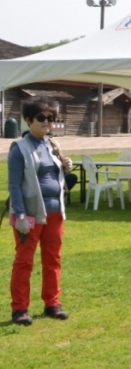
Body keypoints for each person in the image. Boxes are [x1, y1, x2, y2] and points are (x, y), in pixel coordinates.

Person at [8, 97, 72, 325]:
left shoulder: (51, 144)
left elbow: (51, 175)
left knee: (53, 259)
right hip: (31, 213)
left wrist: (64, 167)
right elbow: (14, 184)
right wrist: (21, 215)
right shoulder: (19, 148)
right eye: (42, 118)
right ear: (28, 120)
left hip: (55, 212)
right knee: (24, 261)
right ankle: (19, 309)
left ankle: (52, 303)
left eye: (52, 118)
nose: (48, 123)